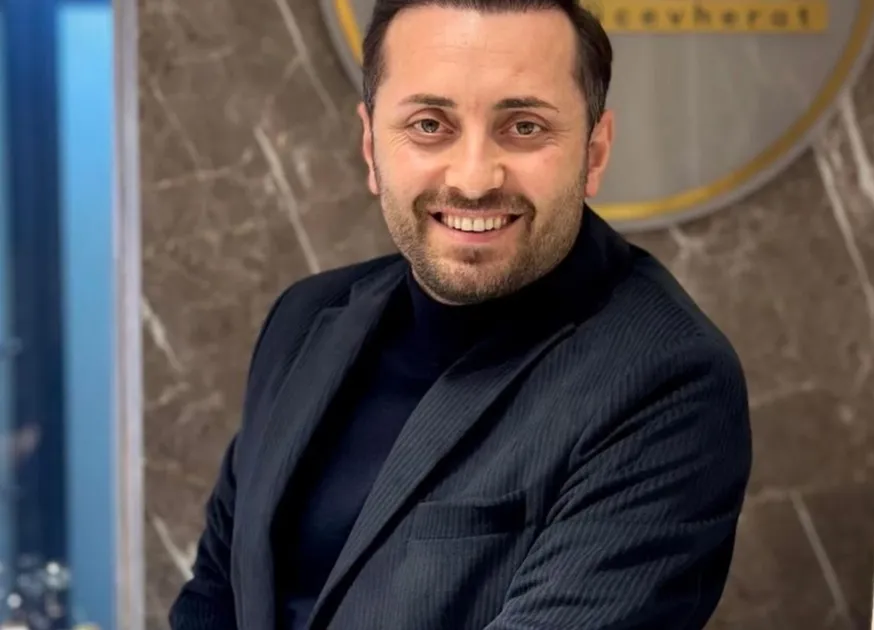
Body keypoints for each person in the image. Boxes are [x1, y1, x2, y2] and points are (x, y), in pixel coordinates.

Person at [167, 0, 752, 627]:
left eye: (524, 126)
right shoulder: (303, 319)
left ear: (596, 152)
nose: (474, 180)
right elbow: (216, 594)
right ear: (370, 145)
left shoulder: (669, 383)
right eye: (429, 124)